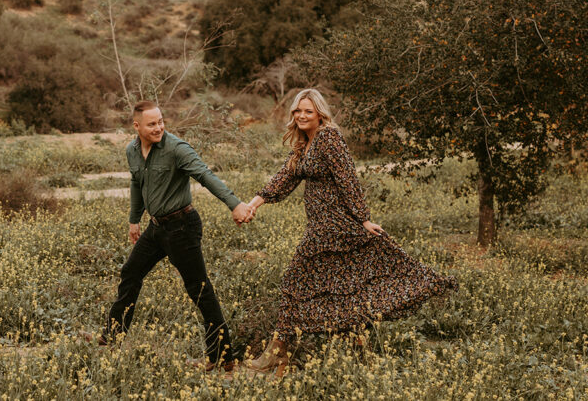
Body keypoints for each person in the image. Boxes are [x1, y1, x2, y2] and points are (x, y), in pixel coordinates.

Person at [242, 88, 458, 376]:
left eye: (308, 110)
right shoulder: (303, 144)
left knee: (296, 284)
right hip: (320, 228)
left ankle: (279, 354)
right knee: (344, 290)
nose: (302, 115)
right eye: (297, 110)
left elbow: (347, 179)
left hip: (338, 227)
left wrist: (364, 220)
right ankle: (357, 350)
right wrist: (254, 203)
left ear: (320, 113)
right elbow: (284, 178)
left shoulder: (329, 138)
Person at [99, 100, 253, 374]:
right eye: (152, 124)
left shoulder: (176, 149)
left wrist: (235, 204)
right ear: (137, 126)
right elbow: (137, 182)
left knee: (199, 290)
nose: (159, 127)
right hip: (156, 228)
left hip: (182, 226)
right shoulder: (132, 150)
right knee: (130, 272)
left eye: (160, 122)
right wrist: (134, 219)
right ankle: (113, 335)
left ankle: (223, 357)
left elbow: (206, 176)